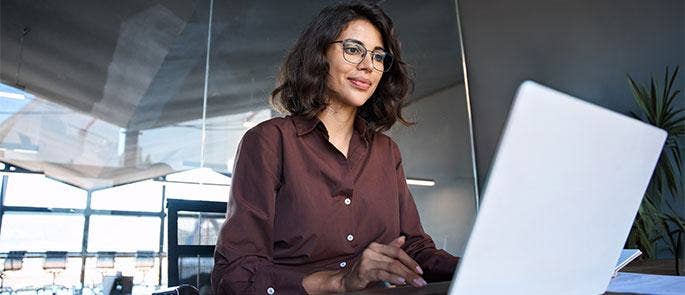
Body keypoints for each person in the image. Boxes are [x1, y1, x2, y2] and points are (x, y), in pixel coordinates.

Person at [211, 2, 459, 294]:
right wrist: (337, 282)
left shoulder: (386, 151)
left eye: (378, 56)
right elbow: (235, 275)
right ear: (320, 55)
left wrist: (480, 264)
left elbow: (414, 249)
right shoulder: (269, 142)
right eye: (353, 49)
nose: (368, 66)